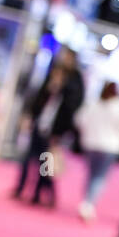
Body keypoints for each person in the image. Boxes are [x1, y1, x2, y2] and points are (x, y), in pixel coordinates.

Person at [12, 48, 84, 207]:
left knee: (45, 164)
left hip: (54, 130)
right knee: (28, 159)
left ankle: (40, 193)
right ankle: (21, 188)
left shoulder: (74, 81)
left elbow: (73, 107)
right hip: (39, 124)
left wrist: (62, 89)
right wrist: (30, 115)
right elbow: (37, 98)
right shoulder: (52, 76)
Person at [74, 81, 119, 220]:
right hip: (110, 146)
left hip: (91, 143)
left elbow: (79, 120)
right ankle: (88, 204)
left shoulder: (93, 104)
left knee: (91, 174)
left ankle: (86, 201)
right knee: (99, 176)